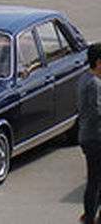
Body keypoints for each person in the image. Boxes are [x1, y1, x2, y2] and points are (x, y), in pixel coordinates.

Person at [78, 43, 101, 224]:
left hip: (87, 136)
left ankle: (90, 214)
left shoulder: (83, 79)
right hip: (96, 138)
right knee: (95, 180)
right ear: (99, 62)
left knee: (94, 178)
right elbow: (96, 112)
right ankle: (91, 217)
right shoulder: (94, 84)